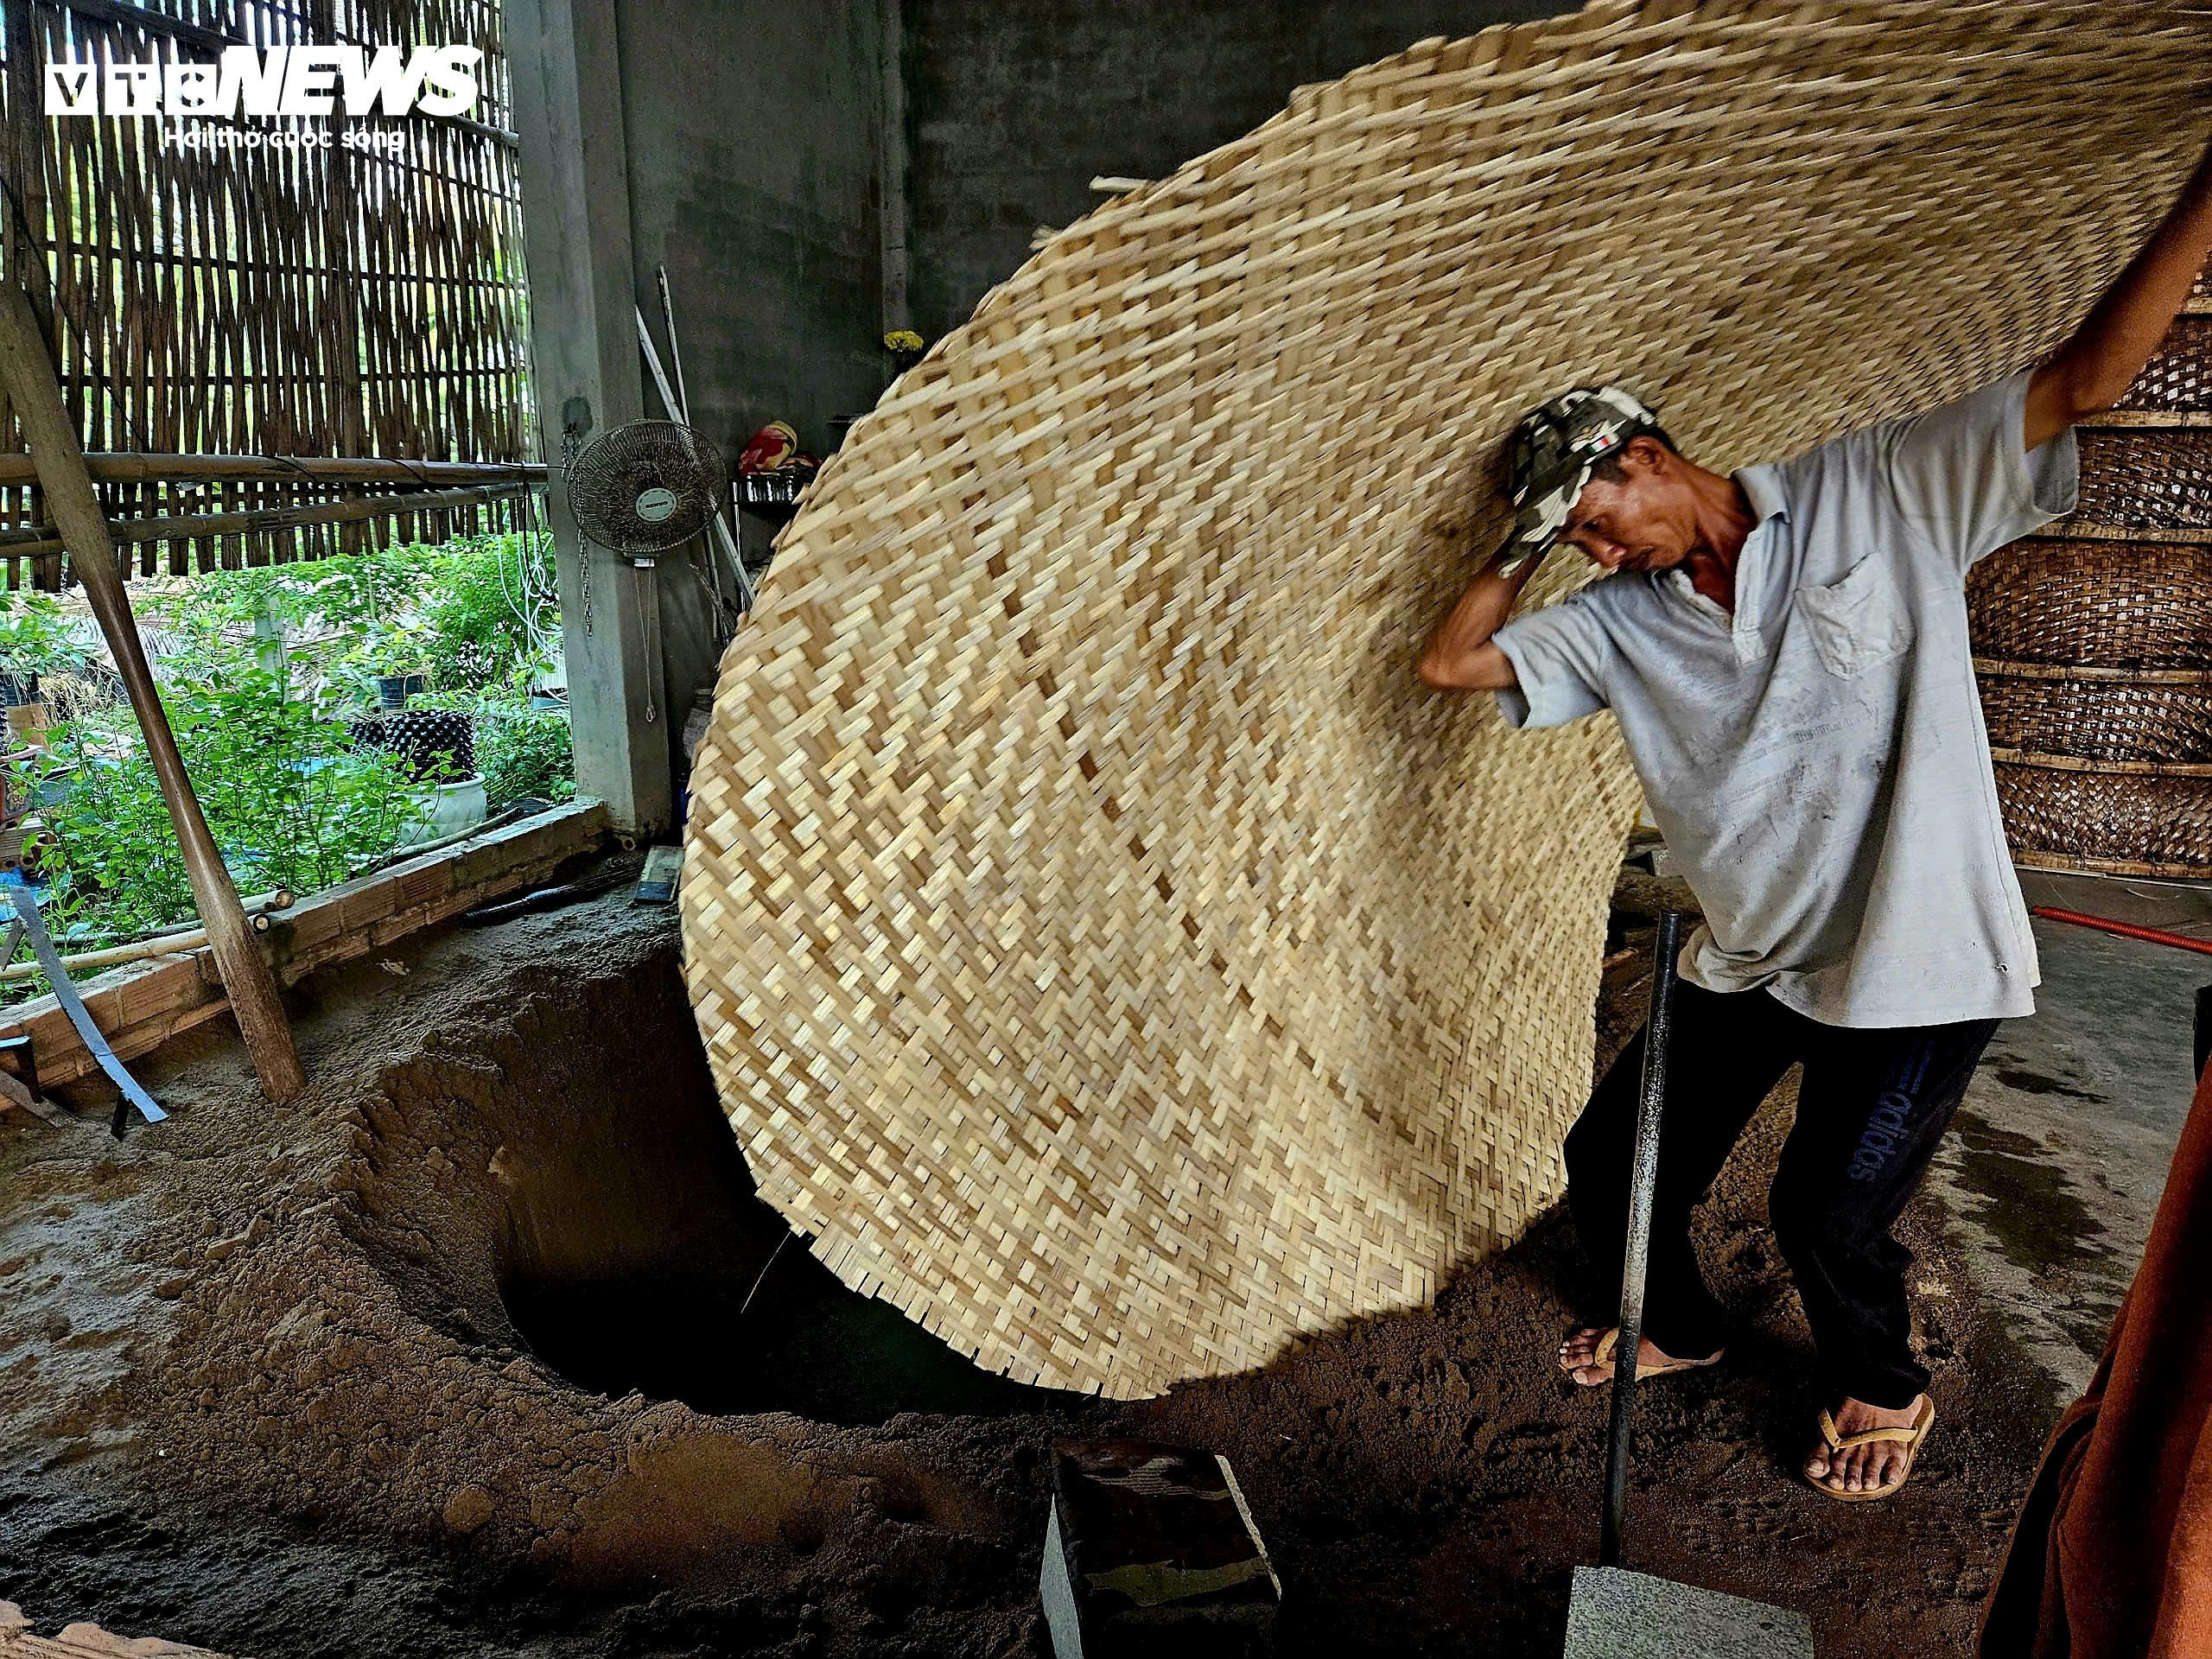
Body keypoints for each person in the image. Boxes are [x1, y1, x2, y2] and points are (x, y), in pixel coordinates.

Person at [1415, 137, 2212, 1502]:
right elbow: (1452, 662)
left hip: (1919, 953)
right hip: (1758, 955)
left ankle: (1883, 1385)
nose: (1597, 553)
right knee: (1611, 1164)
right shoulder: (1614, 626)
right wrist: (1530, 533)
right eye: (1577, 544)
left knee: (1827, 1211)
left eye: (1598, 517)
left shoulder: (1880, 486)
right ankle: (1681, 1328)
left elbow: (2083, 381)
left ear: (1652, 456)